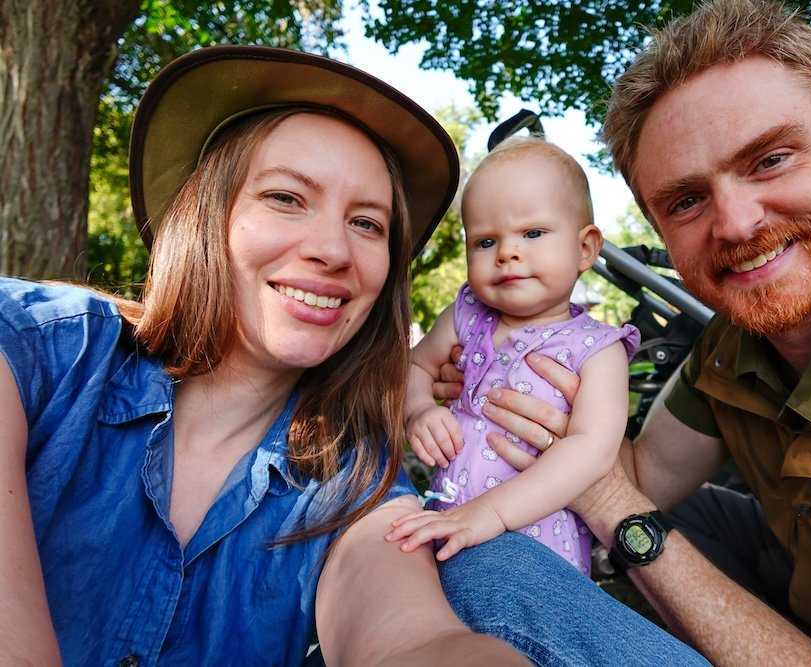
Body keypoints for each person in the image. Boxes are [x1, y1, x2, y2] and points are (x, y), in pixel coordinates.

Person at [433, 0, 811, 664]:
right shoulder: (738, 338)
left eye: (770, 160)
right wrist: (507, 386)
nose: (734, 223)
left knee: (495, 572)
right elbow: (645, 469)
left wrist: (611, 506)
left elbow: (619, 491)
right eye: (687, 200)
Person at [0, 44, 530, 666]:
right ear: (204, 215)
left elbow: (415, 638)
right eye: (285, 197)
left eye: (367, 224)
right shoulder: (40, 347)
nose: (334, 250)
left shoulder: (351, 484)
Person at [386, 137, 640, 575]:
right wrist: (419, 409)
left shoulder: (598, 349)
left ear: (585, 249)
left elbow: (592, 449)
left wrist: (493, 513)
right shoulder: (468, 314)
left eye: (533, 233)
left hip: (536, 545)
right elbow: (413, 366)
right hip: (447, 518)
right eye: (485, 242)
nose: (507, 252)